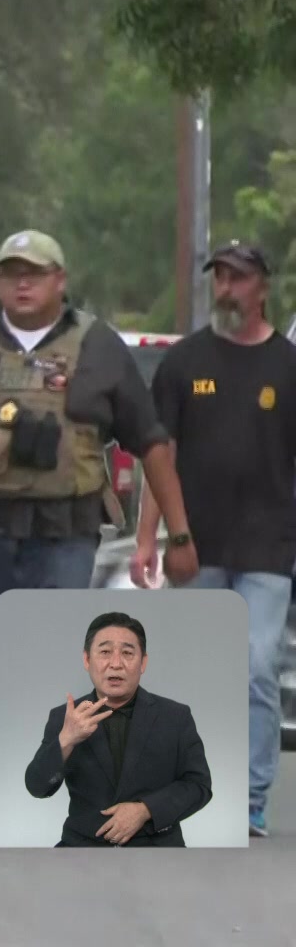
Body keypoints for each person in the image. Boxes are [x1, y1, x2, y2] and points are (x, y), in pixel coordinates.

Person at [0, 228, 195, 840]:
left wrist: (172, 535)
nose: (22, 282)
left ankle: (51, 781)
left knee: (60, 660)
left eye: (34, 272)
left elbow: (153, 443)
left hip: (65, 534)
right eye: (11, 272)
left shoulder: (100, 348)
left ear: (60, 279)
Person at [133, 240, 296, 838]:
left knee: (255, 667)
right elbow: (160, 457)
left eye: (238, 278)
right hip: (195, 543)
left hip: (269, 547)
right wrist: (150, 538)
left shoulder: (288, 364)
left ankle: (251, 795)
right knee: (197, 669)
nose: (226, 288)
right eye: (219, 277)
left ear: (263, 287)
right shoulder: (184, 362)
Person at [23, 611, 212, 846]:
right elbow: (37, 787)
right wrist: (66, 741)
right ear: (86, 660)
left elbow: (199, 786)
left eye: (127, 653)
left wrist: (145, 810)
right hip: (82, 849)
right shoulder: (65, 717)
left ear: (143, 662)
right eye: (104, 652)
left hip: (156, 848)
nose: (115, 663)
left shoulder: (175, 717)